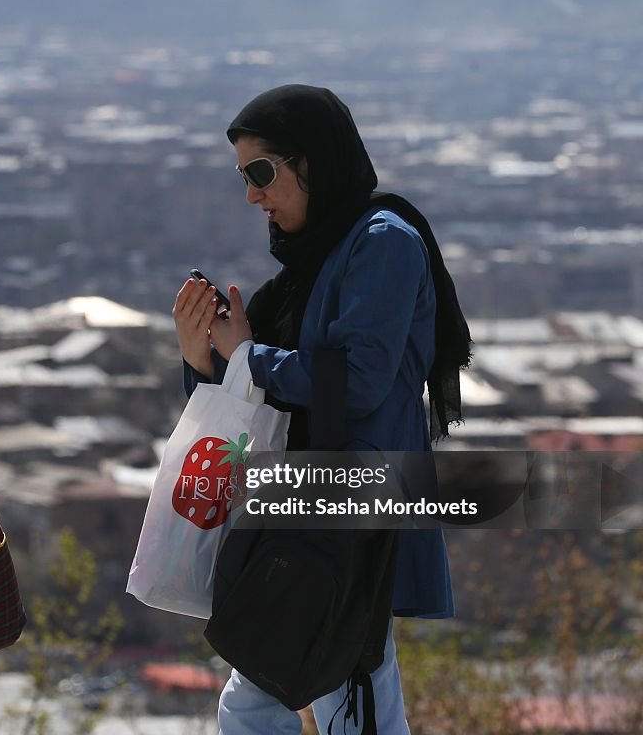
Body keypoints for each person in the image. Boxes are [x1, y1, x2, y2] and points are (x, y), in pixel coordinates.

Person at [173, 84, 472, 734]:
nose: (252, 194)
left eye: (261, 173)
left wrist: (245, 357)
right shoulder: (318, 260)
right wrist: (205, 360)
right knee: (267, 690)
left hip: (354, 499)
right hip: (303, 501)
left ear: (312, 162)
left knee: (345, 688)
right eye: (244, 176)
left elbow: (360, 380)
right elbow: (263, 394)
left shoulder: (382, 243)